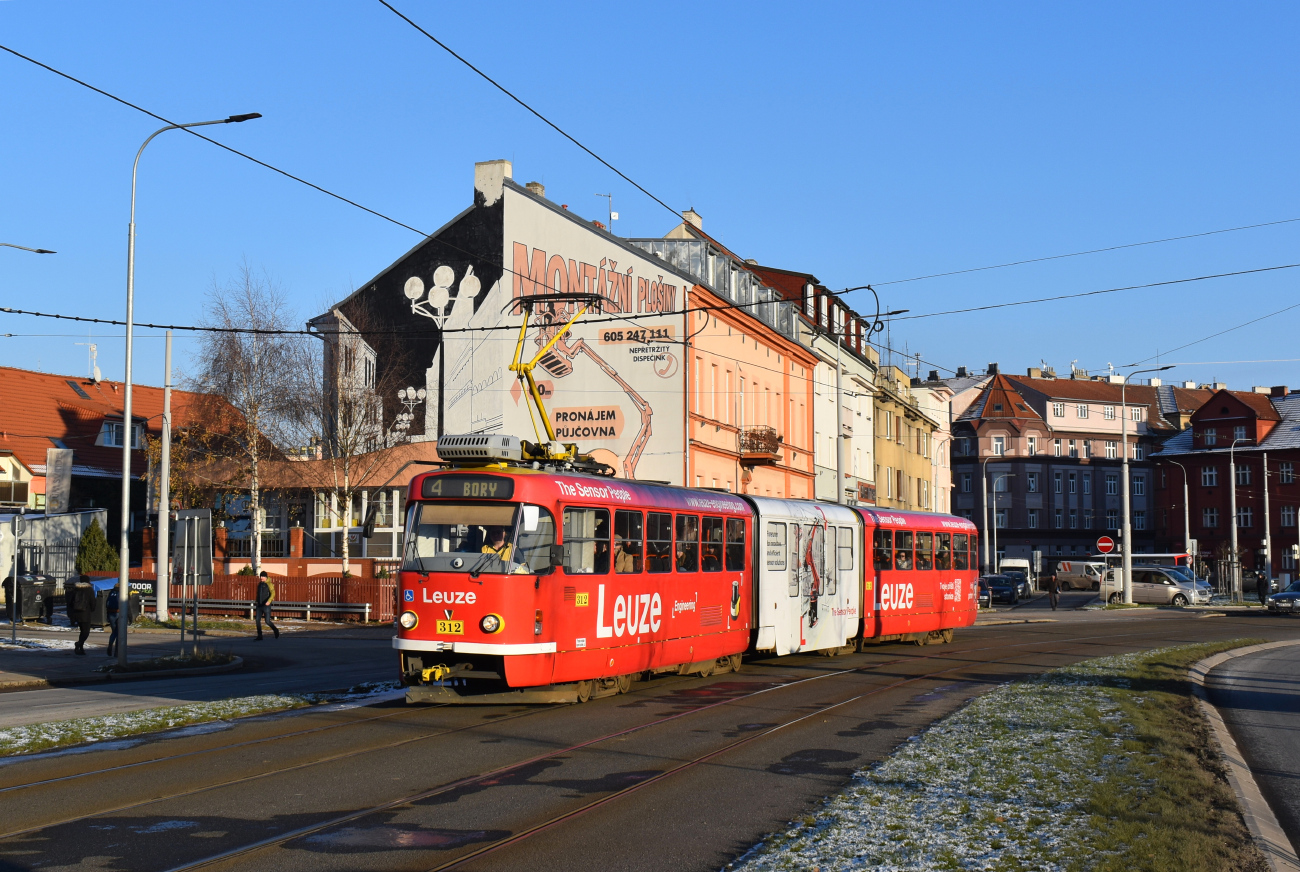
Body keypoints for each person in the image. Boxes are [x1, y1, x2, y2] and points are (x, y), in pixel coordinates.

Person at [67, 574, 96, 656]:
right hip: (86, 613)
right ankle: (79, 644)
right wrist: (92, 609)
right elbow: (92, 601)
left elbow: (70, 602)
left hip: (77, 613)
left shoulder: (75, 589)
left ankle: (81, 647)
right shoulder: (89, 589)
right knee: (86, 631)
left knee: (82, 630)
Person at [255, 570, 279, 640]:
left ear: (266, 577)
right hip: (259, 605)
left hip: (266, 605)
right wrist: (256, 601)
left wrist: (269, 601)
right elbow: (258, 594)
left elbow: (273, 593)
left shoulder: (269, 584)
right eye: (260, 576)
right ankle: (260, 636)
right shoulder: (260, 584)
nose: (261, 578)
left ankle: (275, 630)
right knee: (257, 620)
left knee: (267, 621)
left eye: (263, 576)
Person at [105, 585, 121, 657]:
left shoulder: (111, 592)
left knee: (114, 631)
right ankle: (117, 651)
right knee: (119, 633)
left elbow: (107, 604)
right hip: (119, 613)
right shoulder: (122, 593)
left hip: (111, 613)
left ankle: (110, 645)